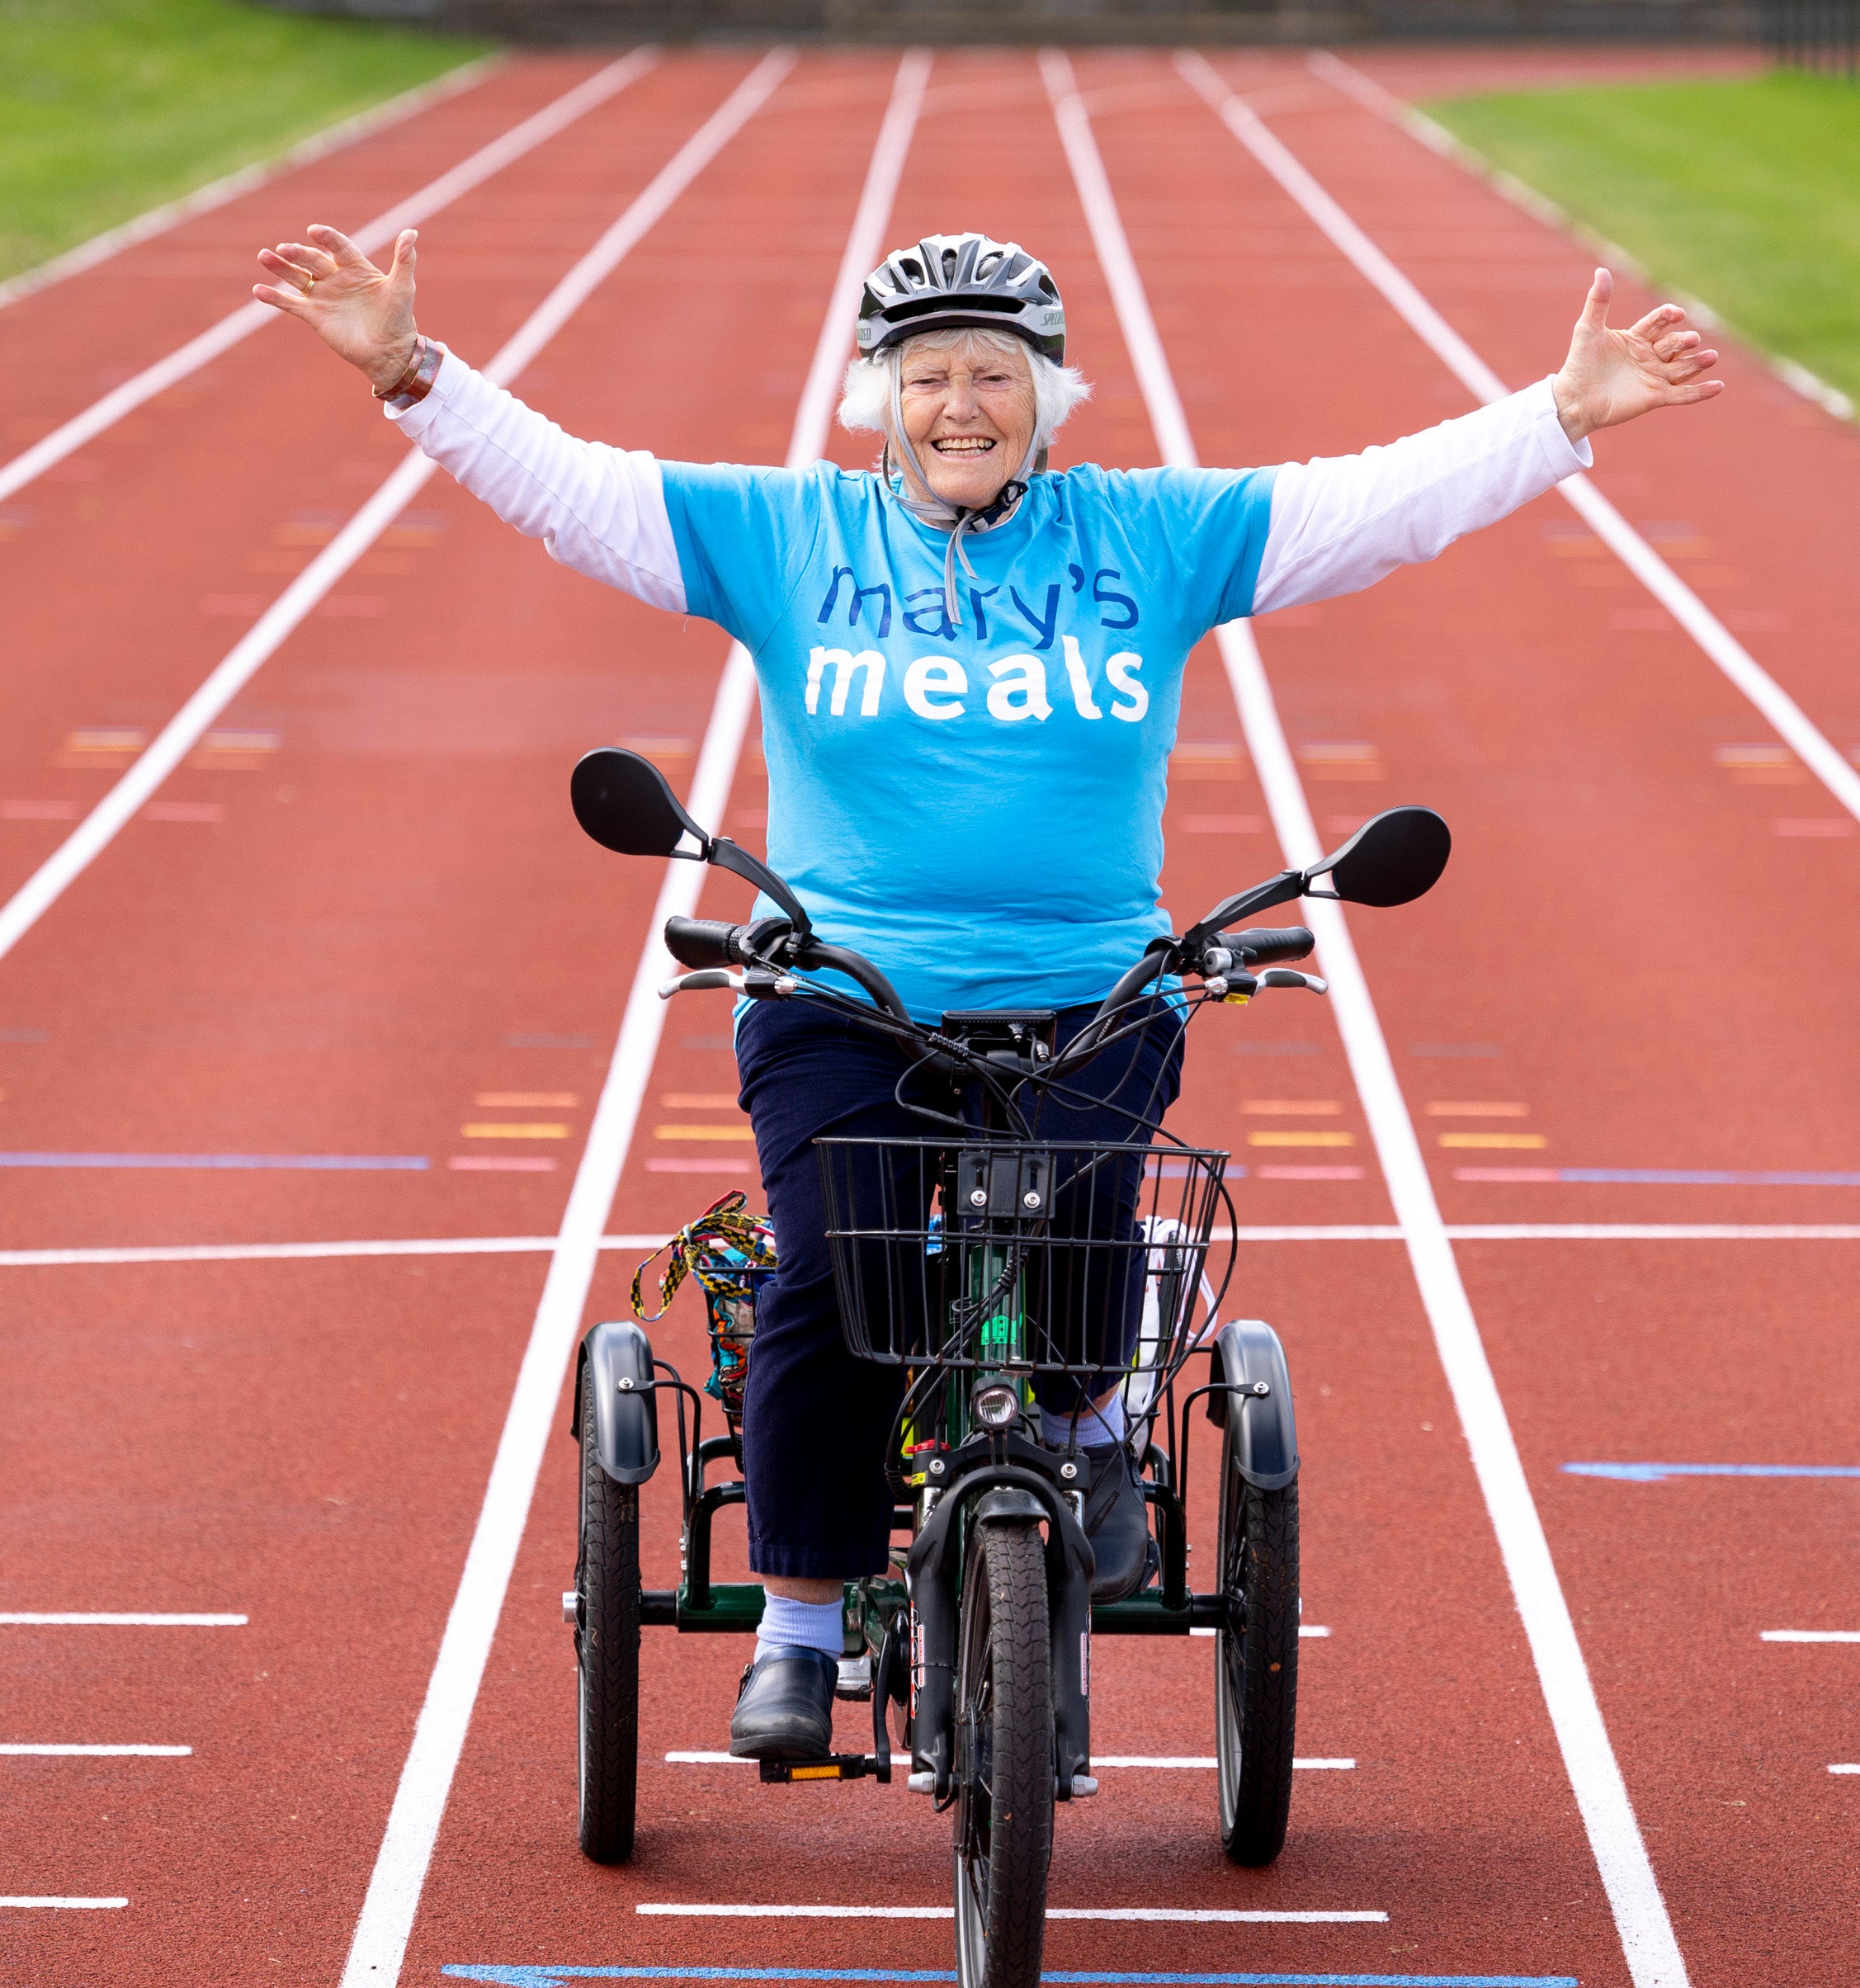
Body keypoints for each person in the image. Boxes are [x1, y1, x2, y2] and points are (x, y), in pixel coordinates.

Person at [252, 224, 1719, 1760]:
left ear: (1050, 397)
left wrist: (1561, 414)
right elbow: (570, 487)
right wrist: (411, 371)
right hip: (843, 999)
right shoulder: (790, 536)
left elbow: (1372, 502)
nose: (964, 403)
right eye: (930, 375)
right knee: (828, 1269)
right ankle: (803, 1627)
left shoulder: (1147, 538)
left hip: (1089, 990)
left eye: (997, 376)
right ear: (876, 399)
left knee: (1097, 1202)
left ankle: (1087, 1432)